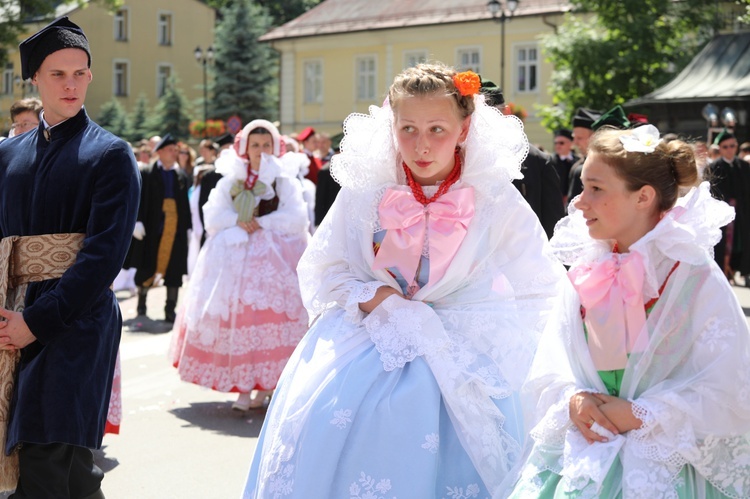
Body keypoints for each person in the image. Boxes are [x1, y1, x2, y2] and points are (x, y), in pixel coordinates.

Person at [243, 63, 563, 498]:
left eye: (437, 129)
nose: (421, 144)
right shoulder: (368, 189)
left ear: (464, 128)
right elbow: (324, 267)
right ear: (391, 125)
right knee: (326, 425)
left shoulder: (493, 196)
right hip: (371, 338)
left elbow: (540, 283)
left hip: (466, 342)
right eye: (408, 128)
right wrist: (378, 298)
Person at [509, 125, 750, 497]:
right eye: (583, 186)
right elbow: (552, 359)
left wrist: (643, 414)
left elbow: (729, 386)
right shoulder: (589, 268)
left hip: (664, 459)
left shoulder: (692, 274)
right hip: (586, 450)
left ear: (643, 197)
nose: (579, 202)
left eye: (596, 189)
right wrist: (573, 398)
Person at [0, 16, 140, 498]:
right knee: (67, 472)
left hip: (74, 323)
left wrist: (37, 321)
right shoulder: (8, 155)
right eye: (58, 74)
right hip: (11, 314)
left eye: (79, 73)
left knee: (47, 458)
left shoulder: (111, 154)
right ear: (34, 78)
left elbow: (104, 256)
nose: (70, 83)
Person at [170, 120, 310, 412]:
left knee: (270, 319)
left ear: (275, 147)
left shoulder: (283, 179)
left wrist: (262, 222)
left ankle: (267, 386)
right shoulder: (230, 178)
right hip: (233, 259)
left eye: (265, 145)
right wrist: (237, 221)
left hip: (275, 262)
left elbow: (297, 218)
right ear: (244, 147)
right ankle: (245, 387)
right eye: (255, 145)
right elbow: (212, 214)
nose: (260, 151)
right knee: (238, 321)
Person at [480, 80, 565, 238]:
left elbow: (554, 225)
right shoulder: (455, 159)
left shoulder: (536, 161)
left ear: (506, 113)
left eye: (491, 114)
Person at [126, 133, 191, 323]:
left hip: (174, 229)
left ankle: (170, 309)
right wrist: (137, 221)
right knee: (147, 264)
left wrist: (187, 227)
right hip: (153, 228)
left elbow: (184, 204)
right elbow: (138, 198)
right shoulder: (147, 172)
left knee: (174, 269)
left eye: (175, 150)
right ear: (160, 152)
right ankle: (141, 304)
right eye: (170, 150)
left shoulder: (180, 175)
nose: (174, 153)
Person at [705, 129, 750, 283]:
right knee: (724, 245)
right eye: (725, 147)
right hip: (723, 215)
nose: (730, 149)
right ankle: (723, 273)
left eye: (732, 146)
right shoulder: (714, 167)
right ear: (720, 148)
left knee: (744, 242)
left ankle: (744, 272)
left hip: (743, 213)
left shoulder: (744, 166)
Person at [567, 107, 601, 202]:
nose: (575, 143)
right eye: (574, 138)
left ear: (594, 138)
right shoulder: (578, 166)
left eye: (580, 138)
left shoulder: (583, 169)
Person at [552, 128, 578, 203]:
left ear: (571, 143)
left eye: (561, 143)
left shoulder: (578, 161)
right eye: (556, 143)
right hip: (557, 201)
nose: (558, 146)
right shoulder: (550, 161)